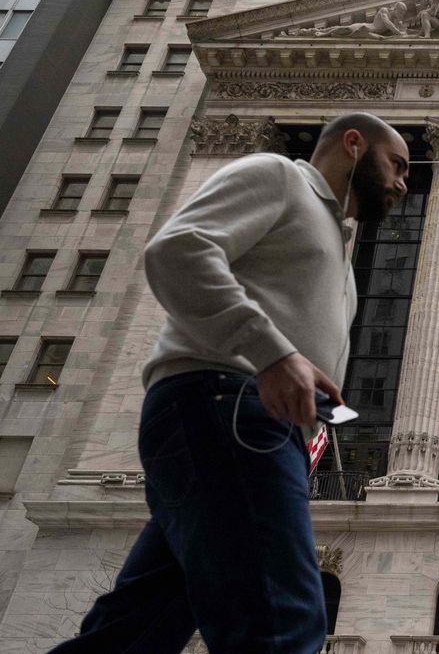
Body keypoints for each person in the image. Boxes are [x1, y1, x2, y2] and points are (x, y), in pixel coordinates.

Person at [49, 113, 410, 653]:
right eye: (396, 165)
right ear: (353, 145)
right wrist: (274, 354)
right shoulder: (279, 177)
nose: (403, 183)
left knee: (135, 631)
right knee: (280, 624)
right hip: (230, 408)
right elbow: (176, 251)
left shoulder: (339, 244)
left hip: (249, 426)